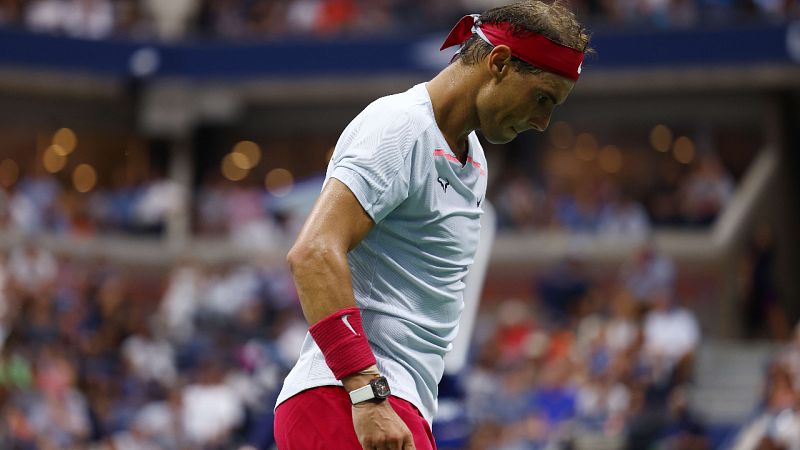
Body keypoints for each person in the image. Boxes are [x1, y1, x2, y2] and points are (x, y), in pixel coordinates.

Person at [273, 1, 592, 448]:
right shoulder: (398, 127)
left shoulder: (474, 159)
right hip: (348, 400)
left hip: (393, 404)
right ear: (498, 63)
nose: (542, 122)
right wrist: (367, 394)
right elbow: (312, 253)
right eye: (542, 99)